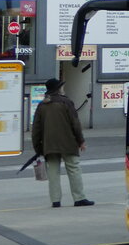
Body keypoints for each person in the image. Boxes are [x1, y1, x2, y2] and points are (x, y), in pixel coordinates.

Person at [31, 78, 94, 208]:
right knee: (74, 169)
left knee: (53, 172)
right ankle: (79, 198)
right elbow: (75, 124)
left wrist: (38, 147)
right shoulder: (66, 102)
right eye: (61, 86)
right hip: (68, 143)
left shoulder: (42, 105)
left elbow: (36, 129)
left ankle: (55, 200)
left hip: (49, 145)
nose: (63, 88)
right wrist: (80, 141)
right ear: (58, 89)